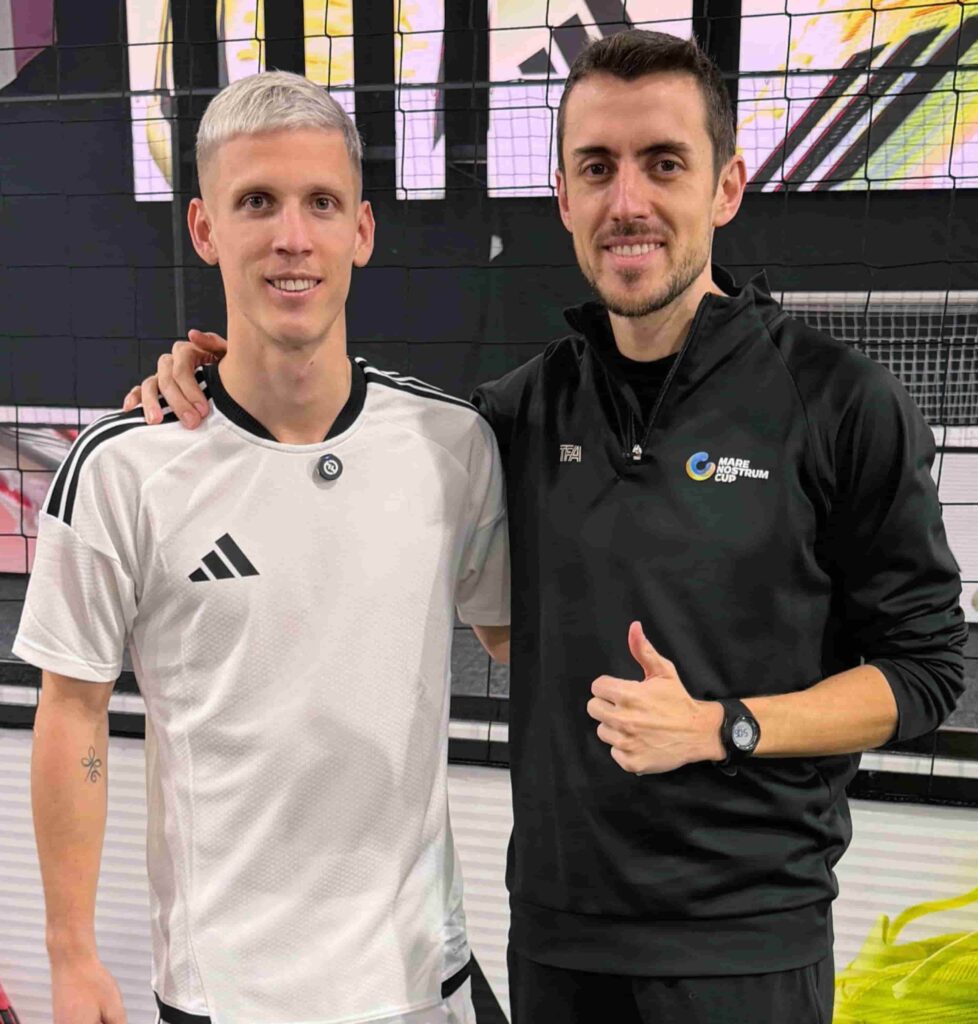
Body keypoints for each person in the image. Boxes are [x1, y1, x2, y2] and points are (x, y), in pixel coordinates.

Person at [127, 31, 966, 1024]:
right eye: (596, 168)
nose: (629, 203)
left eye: (664, 164)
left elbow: (925, 673)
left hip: (749, 940)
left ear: (727, 186)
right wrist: (211, 383)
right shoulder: (514, 416)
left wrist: (724, 725)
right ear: (563, 197)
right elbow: (369, 471)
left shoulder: (841, 402)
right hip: (558, 937)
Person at [18, 71, 510, 1024]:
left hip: (423, 981)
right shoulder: (125, 467)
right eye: (257, 203)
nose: (293, 237)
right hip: (228, 996)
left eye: (322, 203)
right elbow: (71, 710)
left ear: (361, 232)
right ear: (205, 230)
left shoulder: (452, 446)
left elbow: (516, 639)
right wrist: (71, 956)